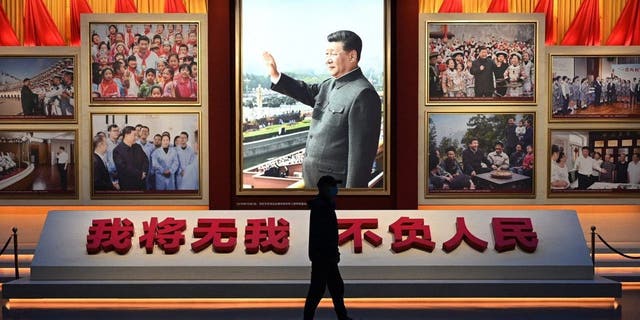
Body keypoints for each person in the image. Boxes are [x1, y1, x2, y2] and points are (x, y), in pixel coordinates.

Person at [263, 30, 381, 188]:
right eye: (326, 54)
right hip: (312, 182)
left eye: (333, 54)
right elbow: (304, 91)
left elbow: (360, 159)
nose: (328, 60)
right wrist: (276, 75)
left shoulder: (363, 94)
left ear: (352, 56)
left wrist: (353, 199)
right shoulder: (329, 84)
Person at [304, 175, 352, 320]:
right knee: (318, 290)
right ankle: (308, 318)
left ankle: (342, 316)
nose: (336, 190)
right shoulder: (322, 207)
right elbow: (323, 235)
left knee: (336, 287)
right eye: (333, 187)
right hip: (323, 256)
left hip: (326, 255)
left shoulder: (324, 206)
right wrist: (331, 253)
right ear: (325, 189)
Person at [113, 126, 149, 191]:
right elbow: (123, 168)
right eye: (134, 135)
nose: (136, 137)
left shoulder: (137, 146)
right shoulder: (117, 150)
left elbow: (145, 160)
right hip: (128, 185)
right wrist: (139, 174)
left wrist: (144, 172)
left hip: (141, 183)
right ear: (126, 135)